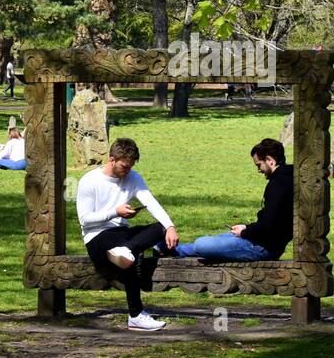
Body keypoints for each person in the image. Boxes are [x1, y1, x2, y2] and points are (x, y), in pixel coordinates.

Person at [77, 138, 178, 332]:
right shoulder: (89, 181)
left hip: (122, 235)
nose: (127, 171)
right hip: (97, 236)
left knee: (160, 228)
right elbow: (85, 220)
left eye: (131, 166)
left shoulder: (133, 178)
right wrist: (116, 212)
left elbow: (151, 202)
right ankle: (136, 315)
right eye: (124, 166)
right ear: (111, 160)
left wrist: (170, 226)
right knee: (128, 259)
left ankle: (127, 249)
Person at [173, 138, 293, 262]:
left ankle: (172, 249)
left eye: (259, 165)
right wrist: (246, 228)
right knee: (221, 239)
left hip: (263, 248)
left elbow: (269, 226)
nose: (259, 170)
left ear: (270, 160)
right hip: (261, 240)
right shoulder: (287, 178)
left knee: (201, 244)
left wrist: (244, 233)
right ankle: (172, 249)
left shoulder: (278, 185)